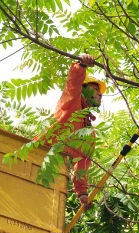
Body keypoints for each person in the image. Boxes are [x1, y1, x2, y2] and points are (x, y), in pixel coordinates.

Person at [36, 54, 106, 208]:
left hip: (51, 174)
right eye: (94, 89)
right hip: (35, 157)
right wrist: (81, 65)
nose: (99, 93)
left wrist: (82, 193)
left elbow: (81, 167)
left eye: (99, 91)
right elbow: (72, 86)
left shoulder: (89, 135)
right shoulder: (71, 104)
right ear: (83, 90)